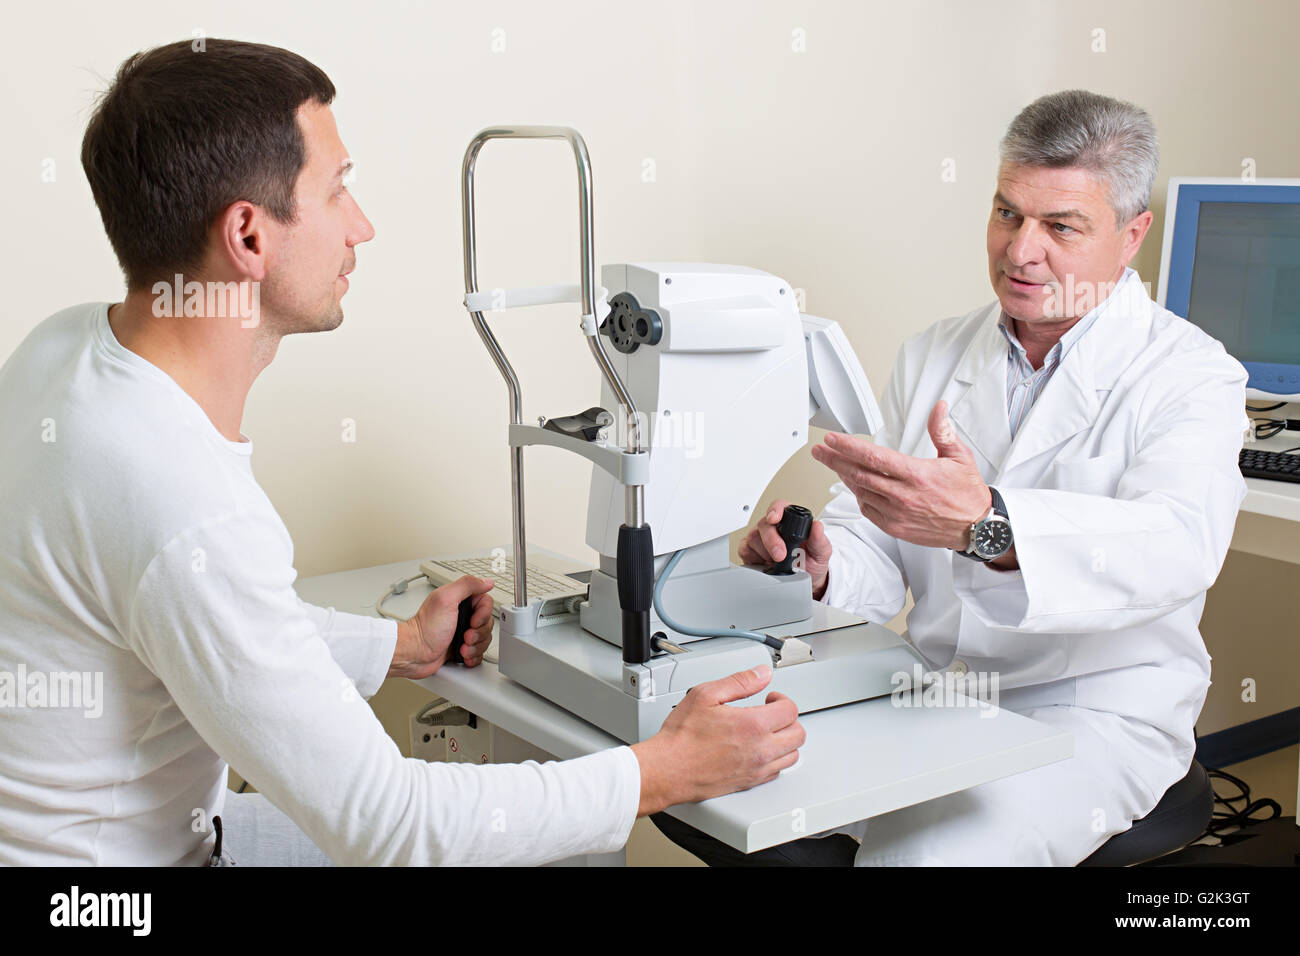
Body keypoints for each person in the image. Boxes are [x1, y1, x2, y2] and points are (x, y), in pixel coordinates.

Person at [0, 38, 804, 866]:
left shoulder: (61, 354)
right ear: (248, 234)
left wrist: (395, 648)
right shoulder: (181, 500)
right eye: (337, 190)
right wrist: (661, 773)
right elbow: (390, 826)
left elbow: (225, 619)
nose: (363, 226)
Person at [655, 89, 1249, 866]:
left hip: (1093, 709)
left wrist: (987, 527)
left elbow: (1176, 548)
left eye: (1060, 227)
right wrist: (823, 563)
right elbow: (881, 547)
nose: (1019, 250)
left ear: (1131, 235)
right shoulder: (934, 355)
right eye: (1008, 213)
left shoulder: (1192, 374)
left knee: (925, 859)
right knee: (703, 774)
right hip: (933, 688)